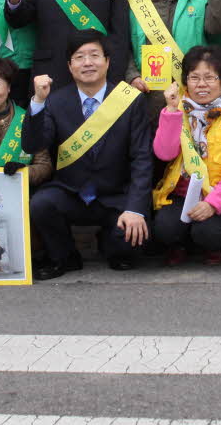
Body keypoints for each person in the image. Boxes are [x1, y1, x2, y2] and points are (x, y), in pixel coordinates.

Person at [23, 33, 153, 278]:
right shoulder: (55, 101)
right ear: (69, 66)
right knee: (41, 204)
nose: (88, 63)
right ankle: (65, 258)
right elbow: (33, 144)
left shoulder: (130, 101)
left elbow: (142, 159)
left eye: (94, 56)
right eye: (79, 57)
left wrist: (135, 208)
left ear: (107, 61)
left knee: (128, 248)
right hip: (71, 192)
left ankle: (109, 242)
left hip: (115, 195)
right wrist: (38, 101)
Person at [151, 45, 221, 265]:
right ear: (185, 80)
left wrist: (212, 203)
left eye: (210, 77)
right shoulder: (176, 108)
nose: (202, 84)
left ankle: (220, 245)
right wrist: (170, 113)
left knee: (208, 233)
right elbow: (163, 153)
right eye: (194, 77)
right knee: (164, 229)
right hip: (180, 193)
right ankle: (178, 245)